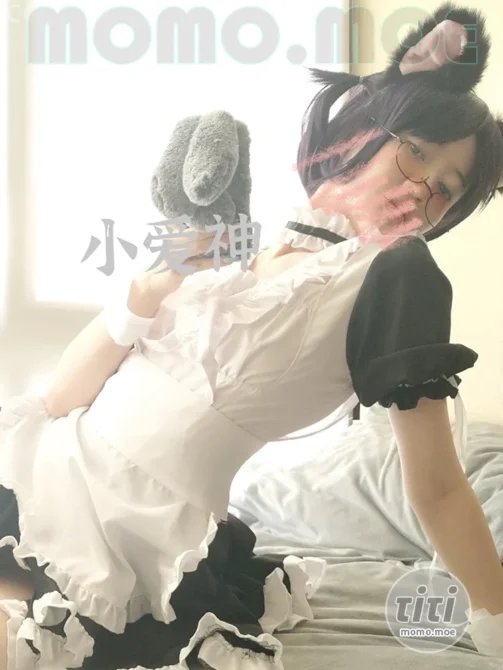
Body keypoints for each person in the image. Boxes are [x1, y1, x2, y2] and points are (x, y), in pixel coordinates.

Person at [1, 6, 503, 669]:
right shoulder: (241, 244)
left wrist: (497, 629)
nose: (421, 190)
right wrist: (148, 288)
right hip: (44, 473)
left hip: (136, 540)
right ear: (363, 123)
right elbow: (60, 400)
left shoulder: (396, 275)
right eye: (415, 150)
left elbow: (437, 487)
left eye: (444, 190)